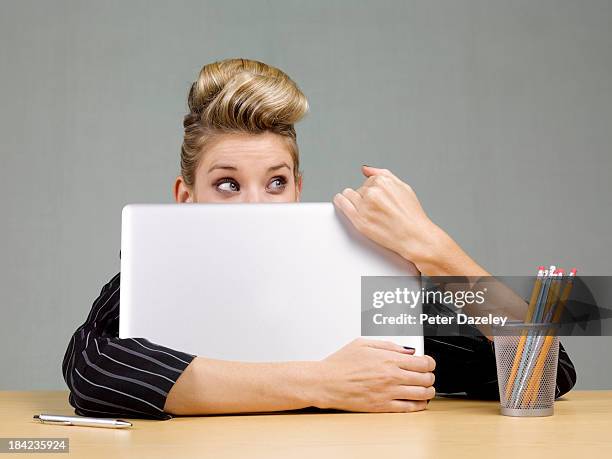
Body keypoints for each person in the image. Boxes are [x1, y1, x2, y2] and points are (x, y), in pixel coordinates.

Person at [62, 58, 576, 420]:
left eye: (276, 182)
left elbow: (545, 373)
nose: (255, 207)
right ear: (185, 196)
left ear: (298, 190)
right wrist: (322, 381)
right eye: (226, 184)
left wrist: (434, 247)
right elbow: (91, 368)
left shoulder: (362, 284)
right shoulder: (157, 277)